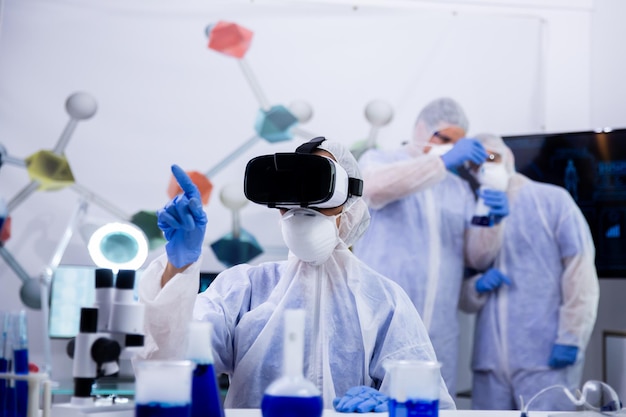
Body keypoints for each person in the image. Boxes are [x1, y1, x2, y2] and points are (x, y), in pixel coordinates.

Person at [137, 137, 456, 411]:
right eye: (293, 194)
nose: (303, 209)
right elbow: (168, 363)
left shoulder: (384, 300)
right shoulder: (244, 288)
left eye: (318, 190)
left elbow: (432, 401)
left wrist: (394, 406)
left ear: (351, 204)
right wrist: (177, 267)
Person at [351, 97, 509, 395]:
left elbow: (475, 256)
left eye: (457, 143)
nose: (451, 148)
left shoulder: (458, 189)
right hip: (381, 324)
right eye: (445, 138)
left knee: (432, 408)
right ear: (421, 129)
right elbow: (372, 189)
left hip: (438, 335)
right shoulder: (380, 161)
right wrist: (440, 162)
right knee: (370, 405)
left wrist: (491, 219)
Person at [458, 133, 600, 411]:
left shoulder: (552, 201)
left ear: (508, 158)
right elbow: (459, 283)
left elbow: (580, 270)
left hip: (545, 356)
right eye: (475, 165)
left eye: (491, 158)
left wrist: (571, 336)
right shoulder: (473, 212)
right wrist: (475, 286)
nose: (484, 168)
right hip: (490, 361)